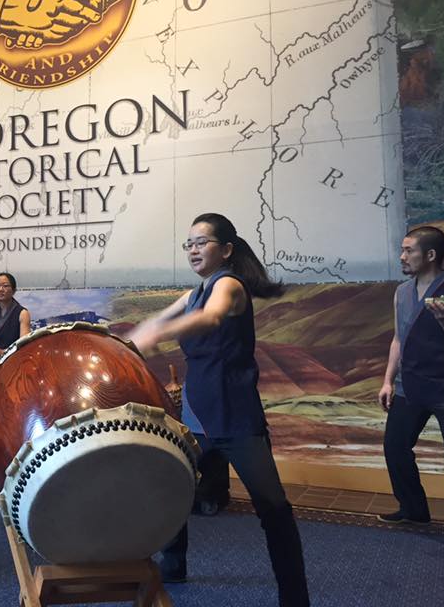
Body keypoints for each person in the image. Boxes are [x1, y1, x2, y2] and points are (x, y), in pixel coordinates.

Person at [128, 213, 309, 607]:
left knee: (273, 510)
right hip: (197, 413)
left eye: (202, 242)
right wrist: (132, 337)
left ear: (226, 250)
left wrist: (160, 334)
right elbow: (160, 317)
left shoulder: (228, 284)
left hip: (236, 416)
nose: (193, 249)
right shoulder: (195, 292)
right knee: (170, 488)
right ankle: (173, 564)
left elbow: (209, 318)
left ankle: (295, 598)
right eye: (188, 243)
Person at [377, 225, 444, 524]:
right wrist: (387, 381)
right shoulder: (402, 292)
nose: (402, 256)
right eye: (402, 250)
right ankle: (414, 510)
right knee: (395, 447)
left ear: (430, 255)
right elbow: (399, 338)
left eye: (409, 250)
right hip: (409, 385)